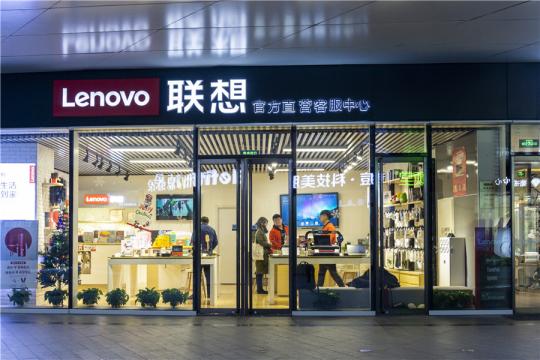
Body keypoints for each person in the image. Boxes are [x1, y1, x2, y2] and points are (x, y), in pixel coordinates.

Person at [191, 216, 218, 299]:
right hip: (208, 256)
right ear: (208, 221)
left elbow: (193, 241)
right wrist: (210, 250)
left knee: (197, 276)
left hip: (198, 255)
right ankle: (210, 295)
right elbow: (216, 242)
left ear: (200, 221)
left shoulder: (197, 229)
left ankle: (196, 295)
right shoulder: (212, 229)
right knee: (208, 276)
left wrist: (195, 249)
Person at [316, 210, 345, 287]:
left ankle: (343, 287)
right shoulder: (325, 226)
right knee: (322, 273)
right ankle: (318, 290)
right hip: (323, 252)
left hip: (328, 252)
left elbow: (329, 240)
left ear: (325, 216)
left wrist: (319, 239)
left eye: (321, 216)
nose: (320, 217)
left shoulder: (330, 227)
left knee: (332, 272)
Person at [253, 217, 272, 294]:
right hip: (261, 254)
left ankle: (260, 289)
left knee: (259, 271)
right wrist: (270, 245)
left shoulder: (259, 230)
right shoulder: (259, 231)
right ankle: (259, 289)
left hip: (261, 254)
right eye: (266, 223)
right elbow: (261, 242)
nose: (266, 225)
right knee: (259, 272)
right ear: (262, 223)